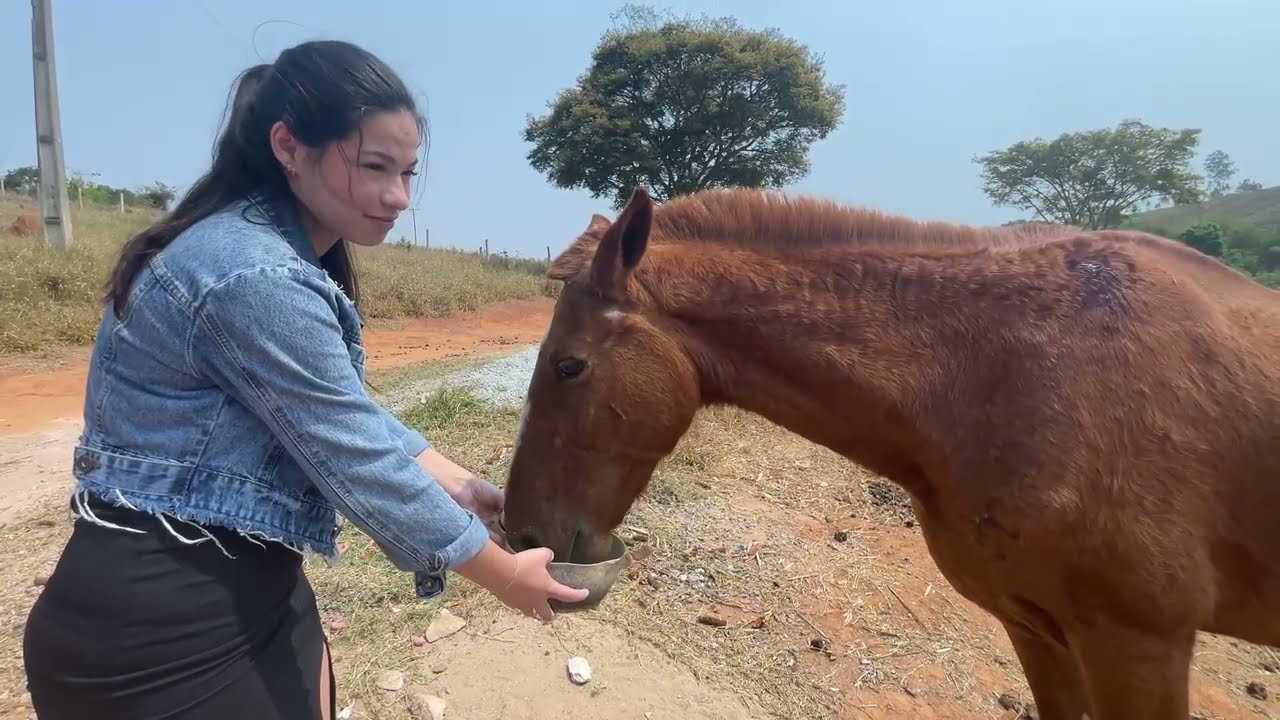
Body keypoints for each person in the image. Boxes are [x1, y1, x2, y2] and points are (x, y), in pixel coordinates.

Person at [21, 39, 588, 720]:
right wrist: (505, 575)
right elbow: (354, 457)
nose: (399, 197)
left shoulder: (258, 252)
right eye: (375, 167)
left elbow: (336, 413)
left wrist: (461, 486)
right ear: (288, 146)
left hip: (251, 588)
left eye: (407, 172)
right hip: (163, 632)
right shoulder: (252, 275)